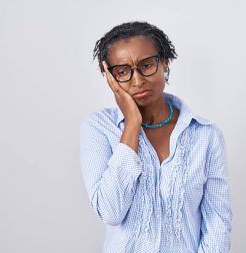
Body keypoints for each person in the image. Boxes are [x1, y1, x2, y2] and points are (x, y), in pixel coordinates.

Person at [79, 21, 232, 253]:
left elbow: (217, 222)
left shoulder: (206, 135)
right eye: (122, 72)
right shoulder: (99, 128)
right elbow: (111, 212)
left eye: (147, 65)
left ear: (164, 63)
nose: (137, 80)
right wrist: (131, 124)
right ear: (109, 77)